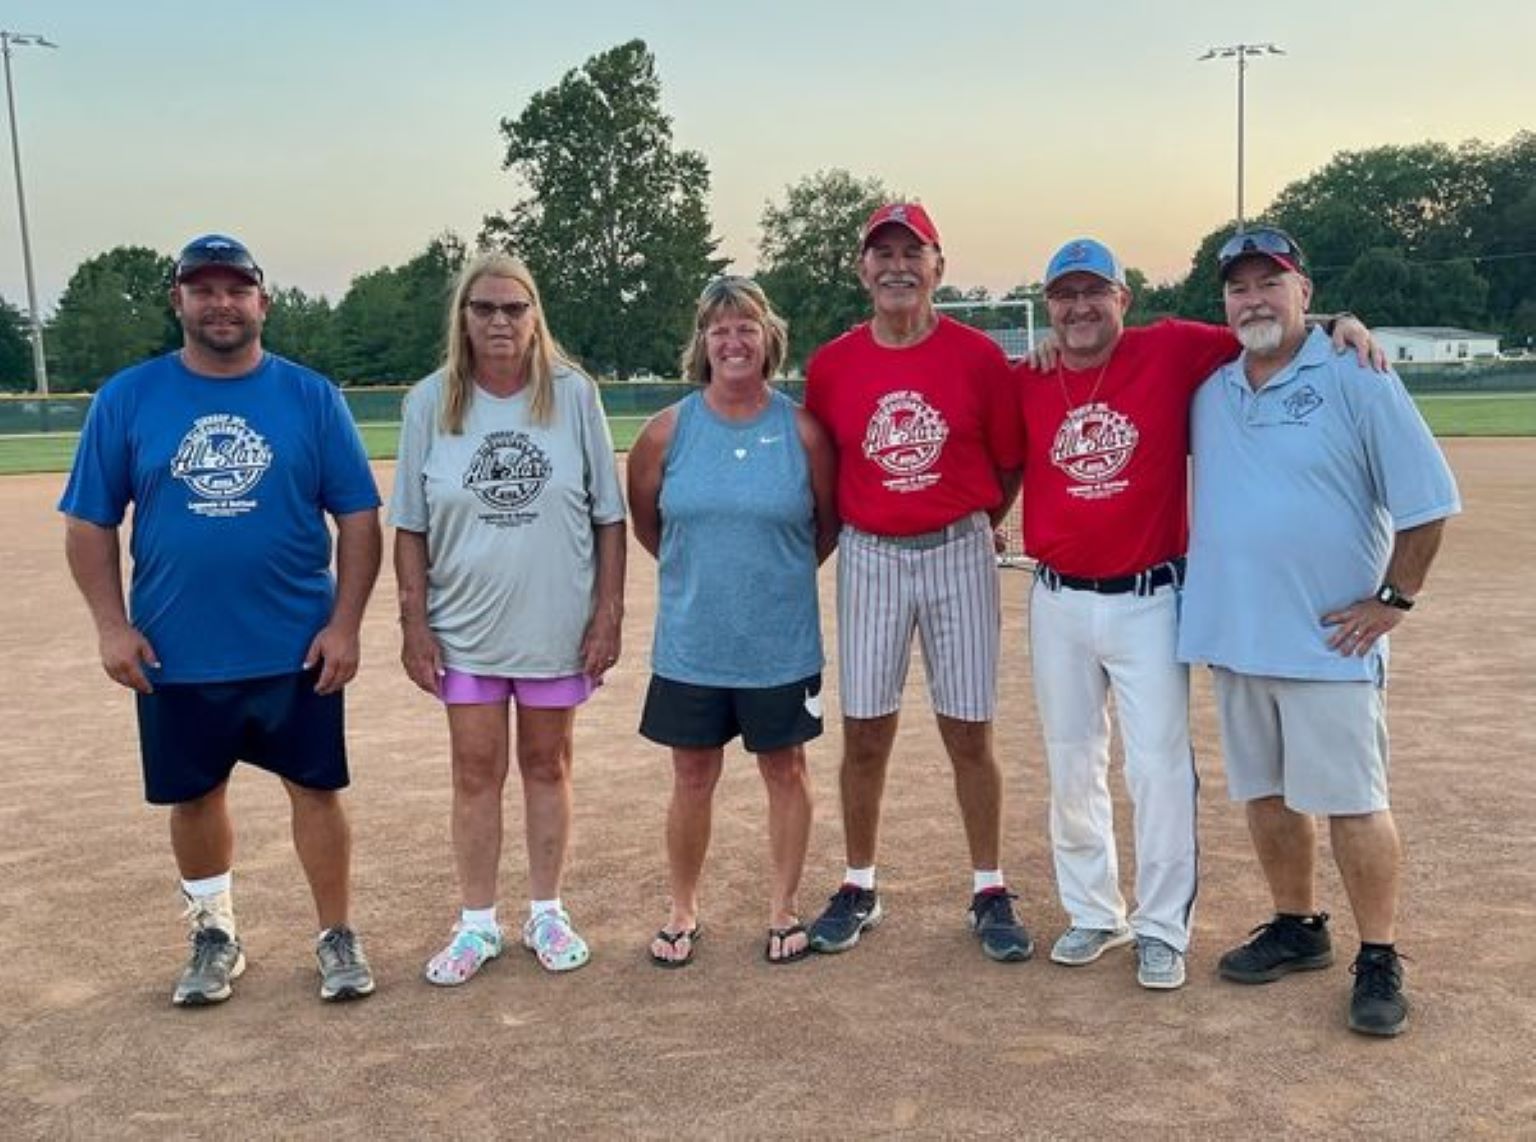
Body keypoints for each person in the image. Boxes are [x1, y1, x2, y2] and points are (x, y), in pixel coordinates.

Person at [1017, 239, 1380, 991]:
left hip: (1149, 596)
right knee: (1071, 757)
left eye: (1095, 292)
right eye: (1064, 295)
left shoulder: (1173, 349)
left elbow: (1272, 325)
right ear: (1049, 305)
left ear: (1125, 298)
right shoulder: (1032, 374)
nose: (1079, 307)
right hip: (1055, 598)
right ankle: (1093, 910)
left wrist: (1345, 318)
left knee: (1157, 765)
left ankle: (1159, 926)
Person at [60, 233, 383, 1006]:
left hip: (295, 646)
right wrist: (111, 625)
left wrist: (346, 625)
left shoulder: (309, 396)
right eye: (202, 289)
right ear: (178, 301)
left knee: (315, 790)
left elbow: (360, 518)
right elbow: (88, 523)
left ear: (261, 302)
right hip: (177, 649)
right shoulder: (129, 398)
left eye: (235, 289)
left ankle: (335, 934)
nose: (220, 303)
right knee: (195, 796)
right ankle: (215, 934)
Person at [1177, 226, 1460, 1036]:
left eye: (1273, 282)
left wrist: (1393, 601)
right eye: (1239, 287)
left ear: (1307, 291)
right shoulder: (1212, 389)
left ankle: (1379, 951)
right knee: (1266, 798)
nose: (1255, 298)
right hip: (1236, 635)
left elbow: (1428, 502)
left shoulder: (1355, 373)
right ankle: (1298, 924)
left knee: (1354, 804)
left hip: (1330, 642)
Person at [802, 203, 1032, 962]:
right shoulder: (834, 364)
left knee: (969, 728)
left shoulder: (975, 357)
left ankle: (990, 887)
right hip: (870, 551)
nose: (897, 265)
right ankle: (859, 883)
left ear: (939, 265)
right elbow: (823, 468)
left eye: (913, 251)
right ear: (862, 268)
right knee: (865, 729)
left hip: (956, 549)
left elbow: (1006, 462)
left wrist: (965, 519)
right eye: (882, 252)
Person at [390, 251, 626, 986]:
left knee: (547, 764)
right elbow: (409, 526)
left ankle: (547, 911)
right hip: (465, 628)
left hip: (554, 623)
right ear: (462, 316)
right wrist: (414, 625)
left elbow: (608, 517)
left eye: (514, 308)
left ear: (534, 316)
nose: (499, 321)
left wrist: (608, 613)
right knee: (474, 770)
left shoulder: (572, 394)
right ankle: (477, 923)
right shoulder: (430, 402)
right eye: (484, 308)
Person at [628, 276, 838, 967]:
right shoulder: (668, 431)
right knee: (692, 773)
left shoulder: (802, 429)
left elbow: (825, 528)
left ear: (767, 338)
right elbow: (651, 527)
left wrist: (765, 579)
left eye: (746, 326)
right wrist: (709, 578)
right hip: (694, 644)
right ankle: (682, 908)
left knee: (786, 768)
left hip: (779, 644)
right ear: (703, 343)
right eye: (720, 329)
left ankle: (782, 908)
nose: (733, 340)